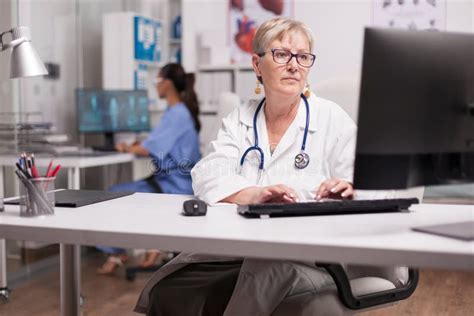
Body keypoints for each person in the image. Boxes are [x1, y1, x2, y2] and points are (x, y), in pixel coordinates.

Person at [135, 17, 357, 315]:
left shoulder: (332, 118)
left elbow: (364, 183)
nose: (294, 65)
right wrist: (253, 195)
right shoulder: (239, 120)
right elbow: (207, 173)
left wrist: (345, 189)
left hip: (308, 255)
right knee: (169, 291)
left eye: (303, 57)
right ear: (256, 64)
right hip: (240, 250)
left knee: (263, 276)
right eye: (281, 54)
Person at [97, 63, 202, 275]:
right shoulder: (178, 111)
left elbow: (150, 148)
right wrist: (140, 143)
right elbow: (159, 142)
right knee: (120, 191)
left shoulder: (176, 113)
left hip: (173, 185)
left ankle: (117, 251)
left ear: (167, 84)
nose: (155, 87)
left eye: (157, 82)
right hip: (173, 181)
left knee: (110, 195)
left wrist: (129, 146)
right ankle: (150, 246)